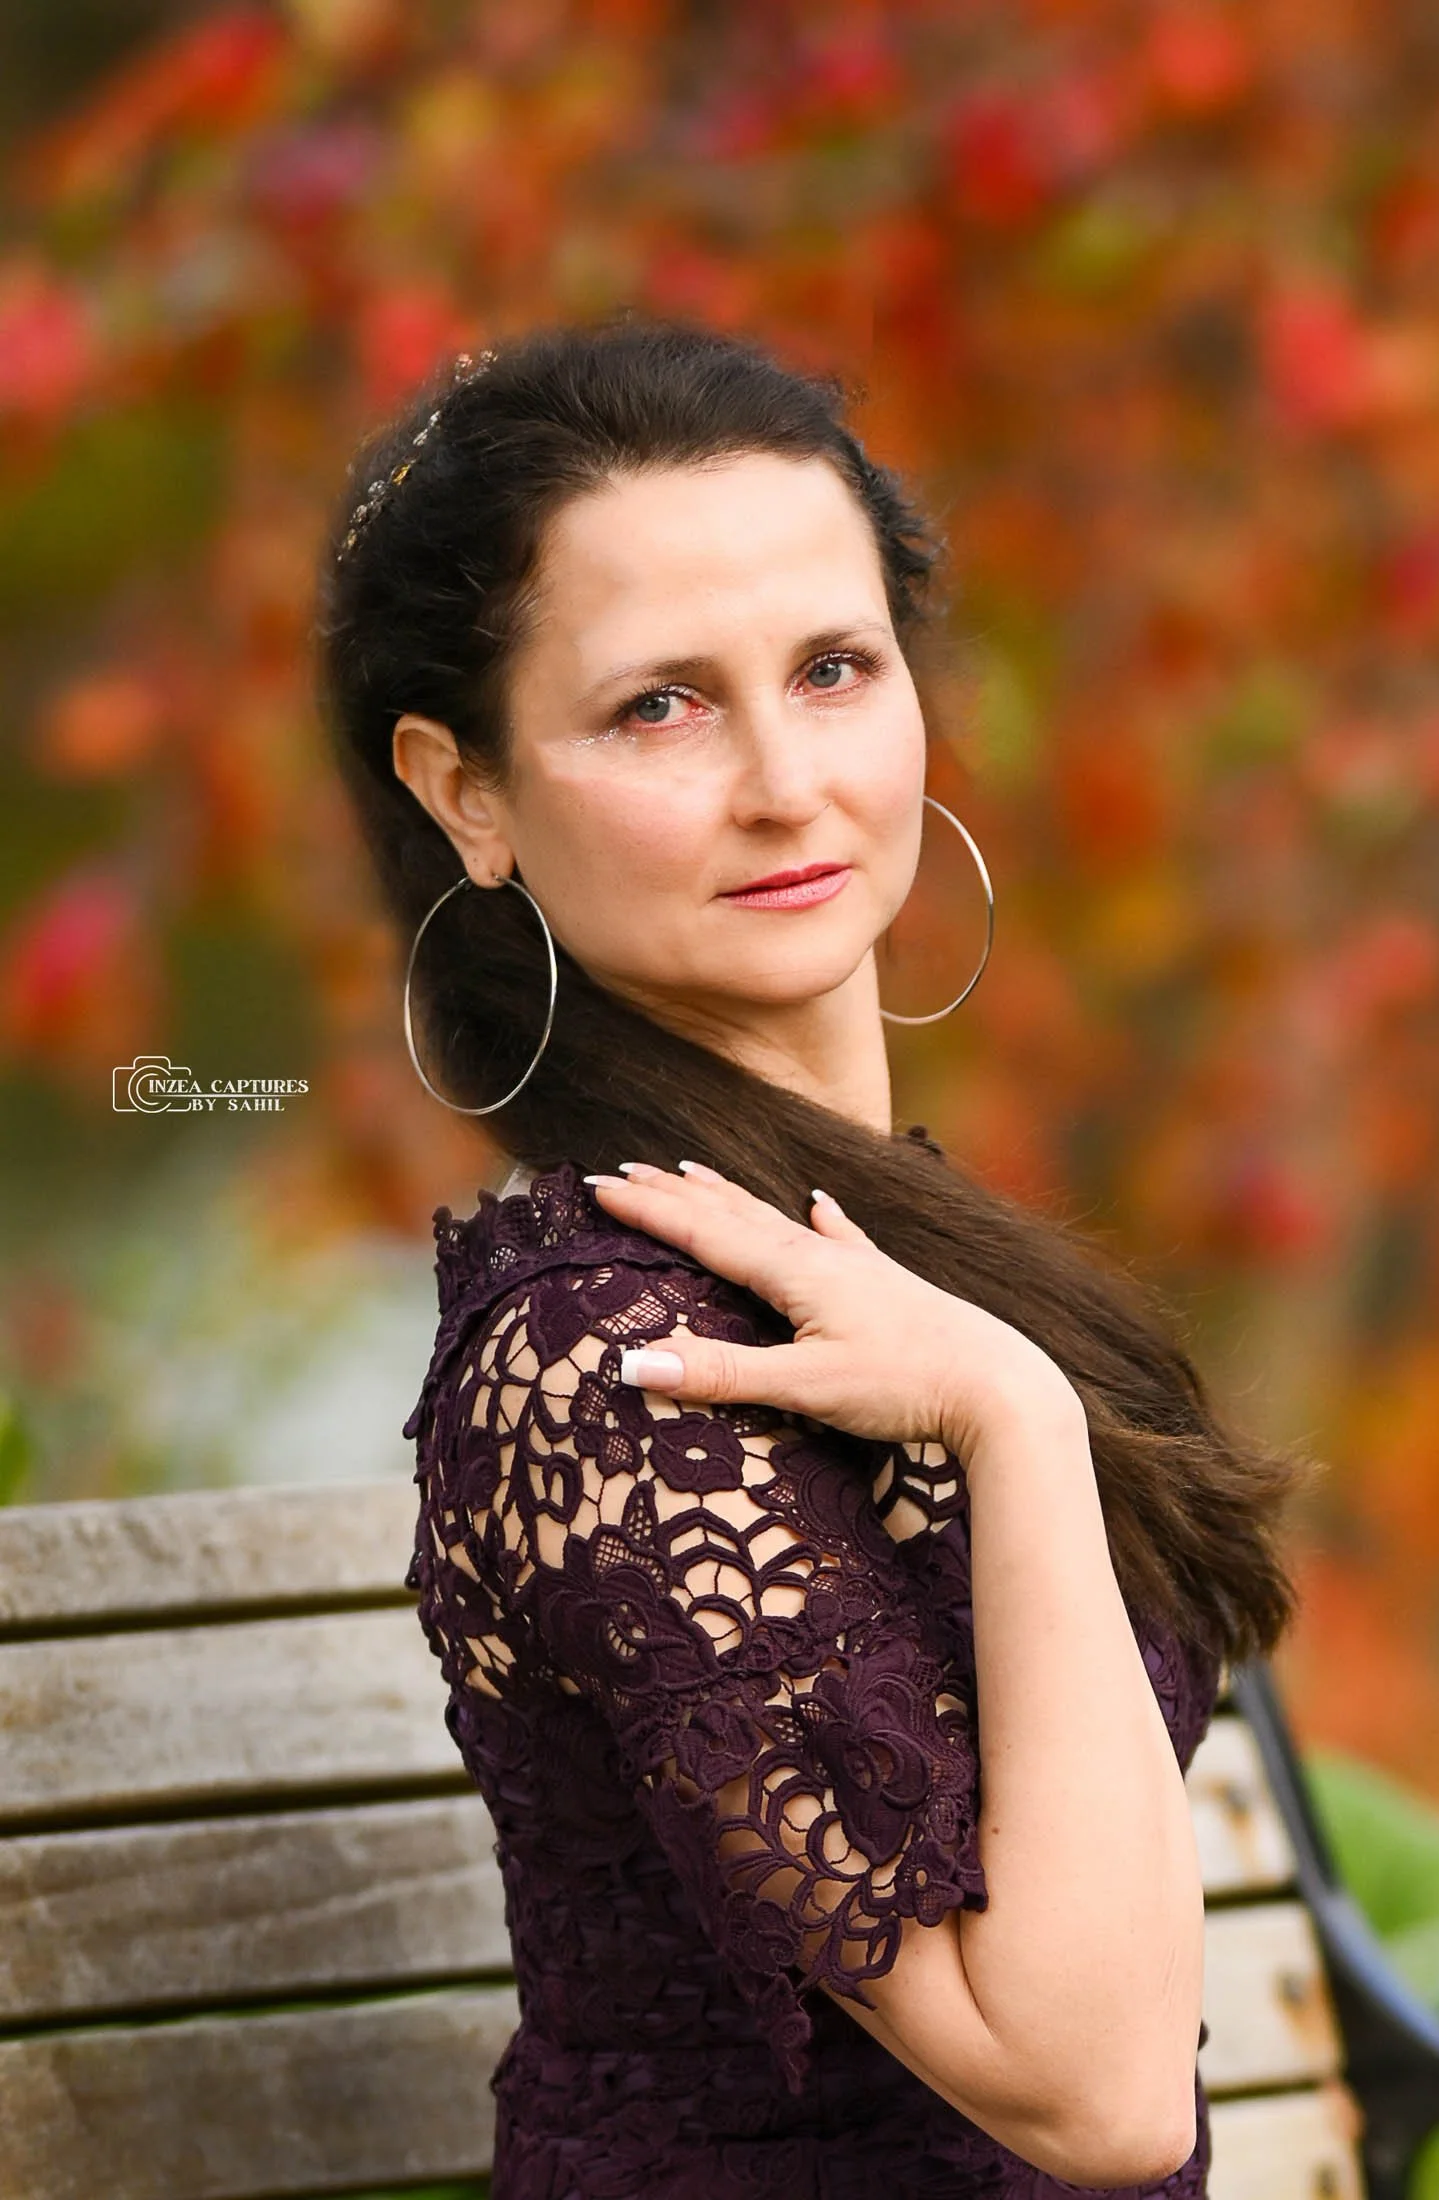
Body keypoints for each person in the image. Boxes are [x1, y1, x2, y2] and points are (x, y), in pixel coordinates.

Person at [317, 320, 1308, 2198]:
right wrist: (1013, 1412)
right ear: (469, 792)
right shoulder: (605, 1357)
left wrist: (997, 1381)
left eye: (832, 669)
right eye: (657, 707)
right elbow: (1093, 2101)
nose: (785, 782)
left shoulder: (885, 1251)